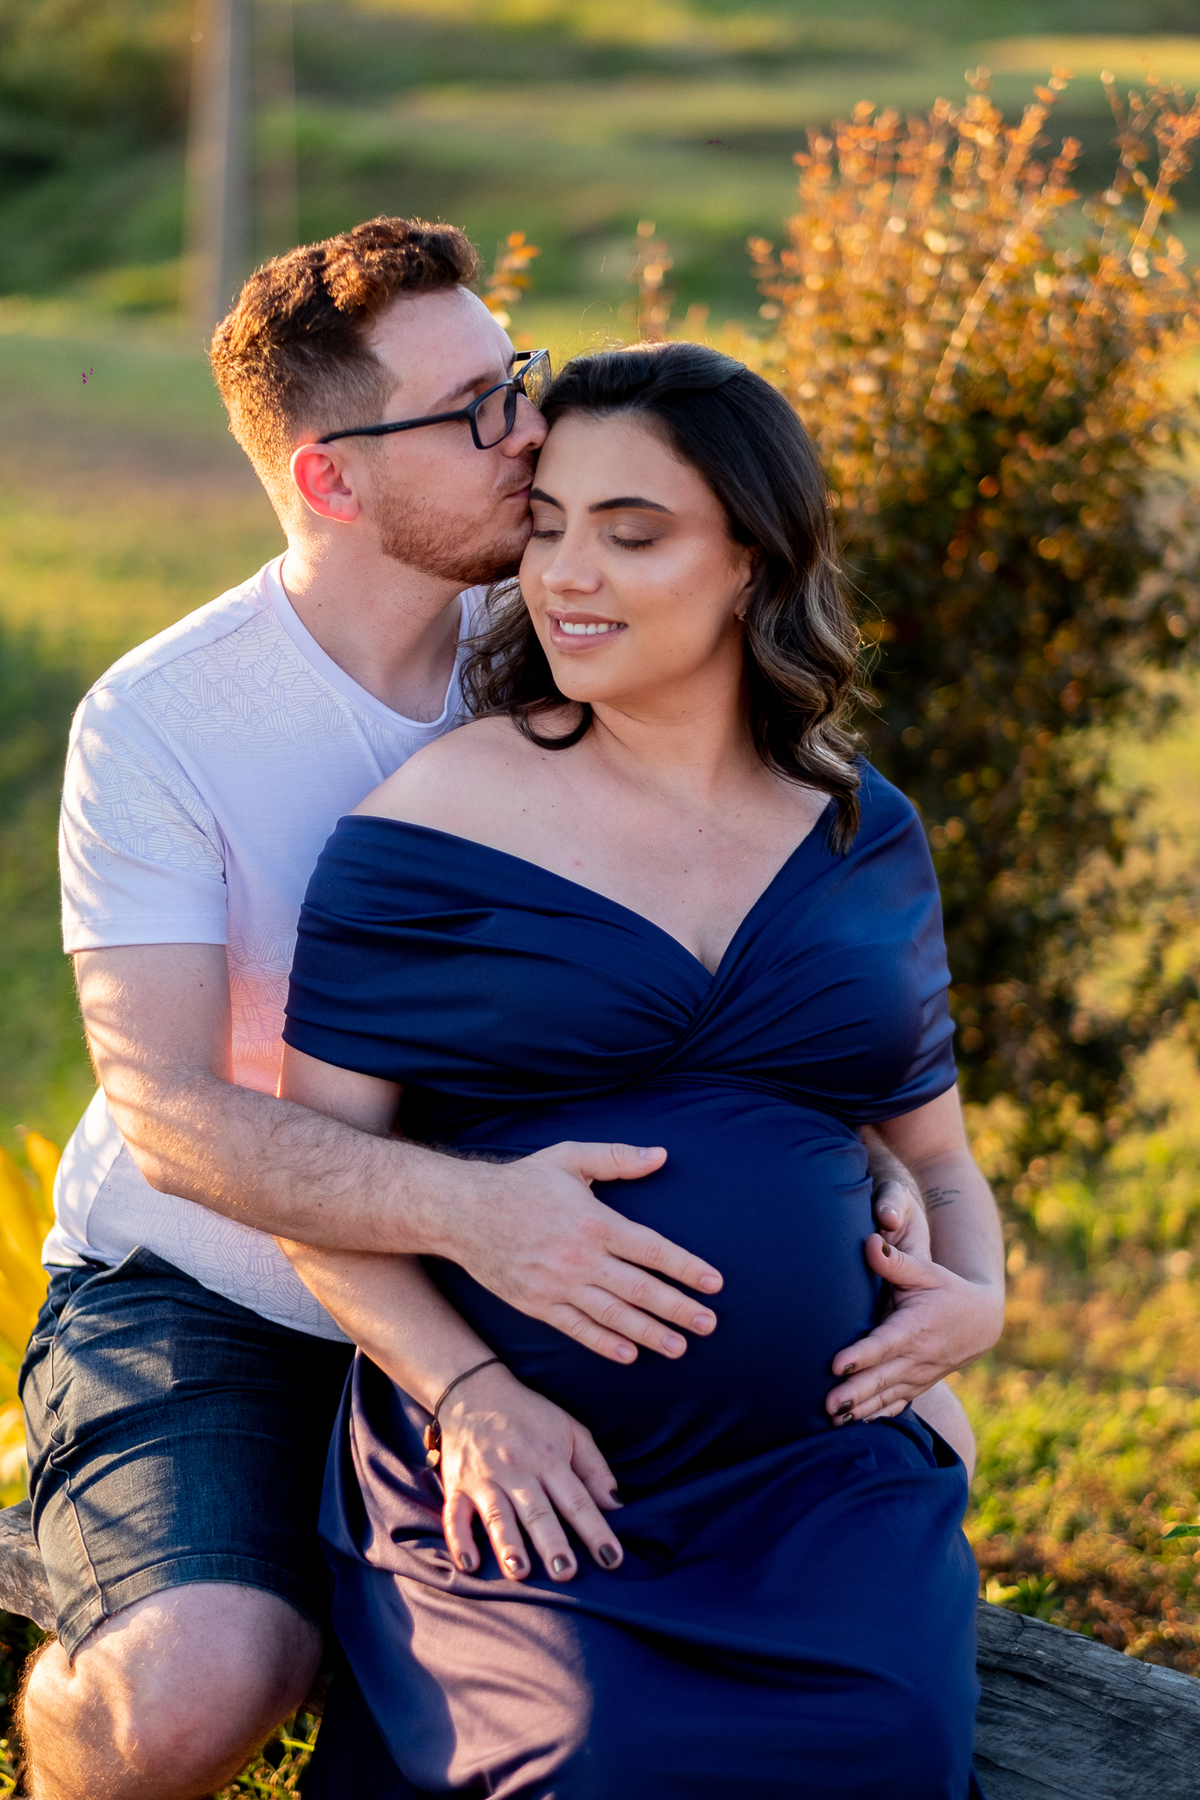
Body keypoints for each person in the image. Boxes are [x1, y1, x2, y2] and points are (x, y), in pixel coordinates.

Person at [16, 222, 982, 1800]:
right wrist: (477, 1241)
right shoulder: (166, 721)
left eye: (516, 376)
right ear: (331, 479)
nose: (529, 430)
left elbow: (768, 935)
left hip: (557, 1327)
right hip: (223, 1296)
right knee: (197, 1684)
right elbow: (174, 1119)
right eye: (475, 410)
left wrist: (866, 1172)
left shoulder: (556, 631)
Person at [277, 341, 1006, 1798]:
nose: (565, 578)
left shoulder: (863, 830)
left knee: (892, 1747)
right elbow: (316, 1190)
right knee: (597, 1760)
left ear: (753, 561)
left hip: (819, 1480)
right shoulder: (434, 826)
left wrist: (975, 1303)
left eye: (632, 534)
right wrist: (474, 1390)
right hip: (533, 1474)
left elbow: (936, 1157)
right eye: (548, 527)